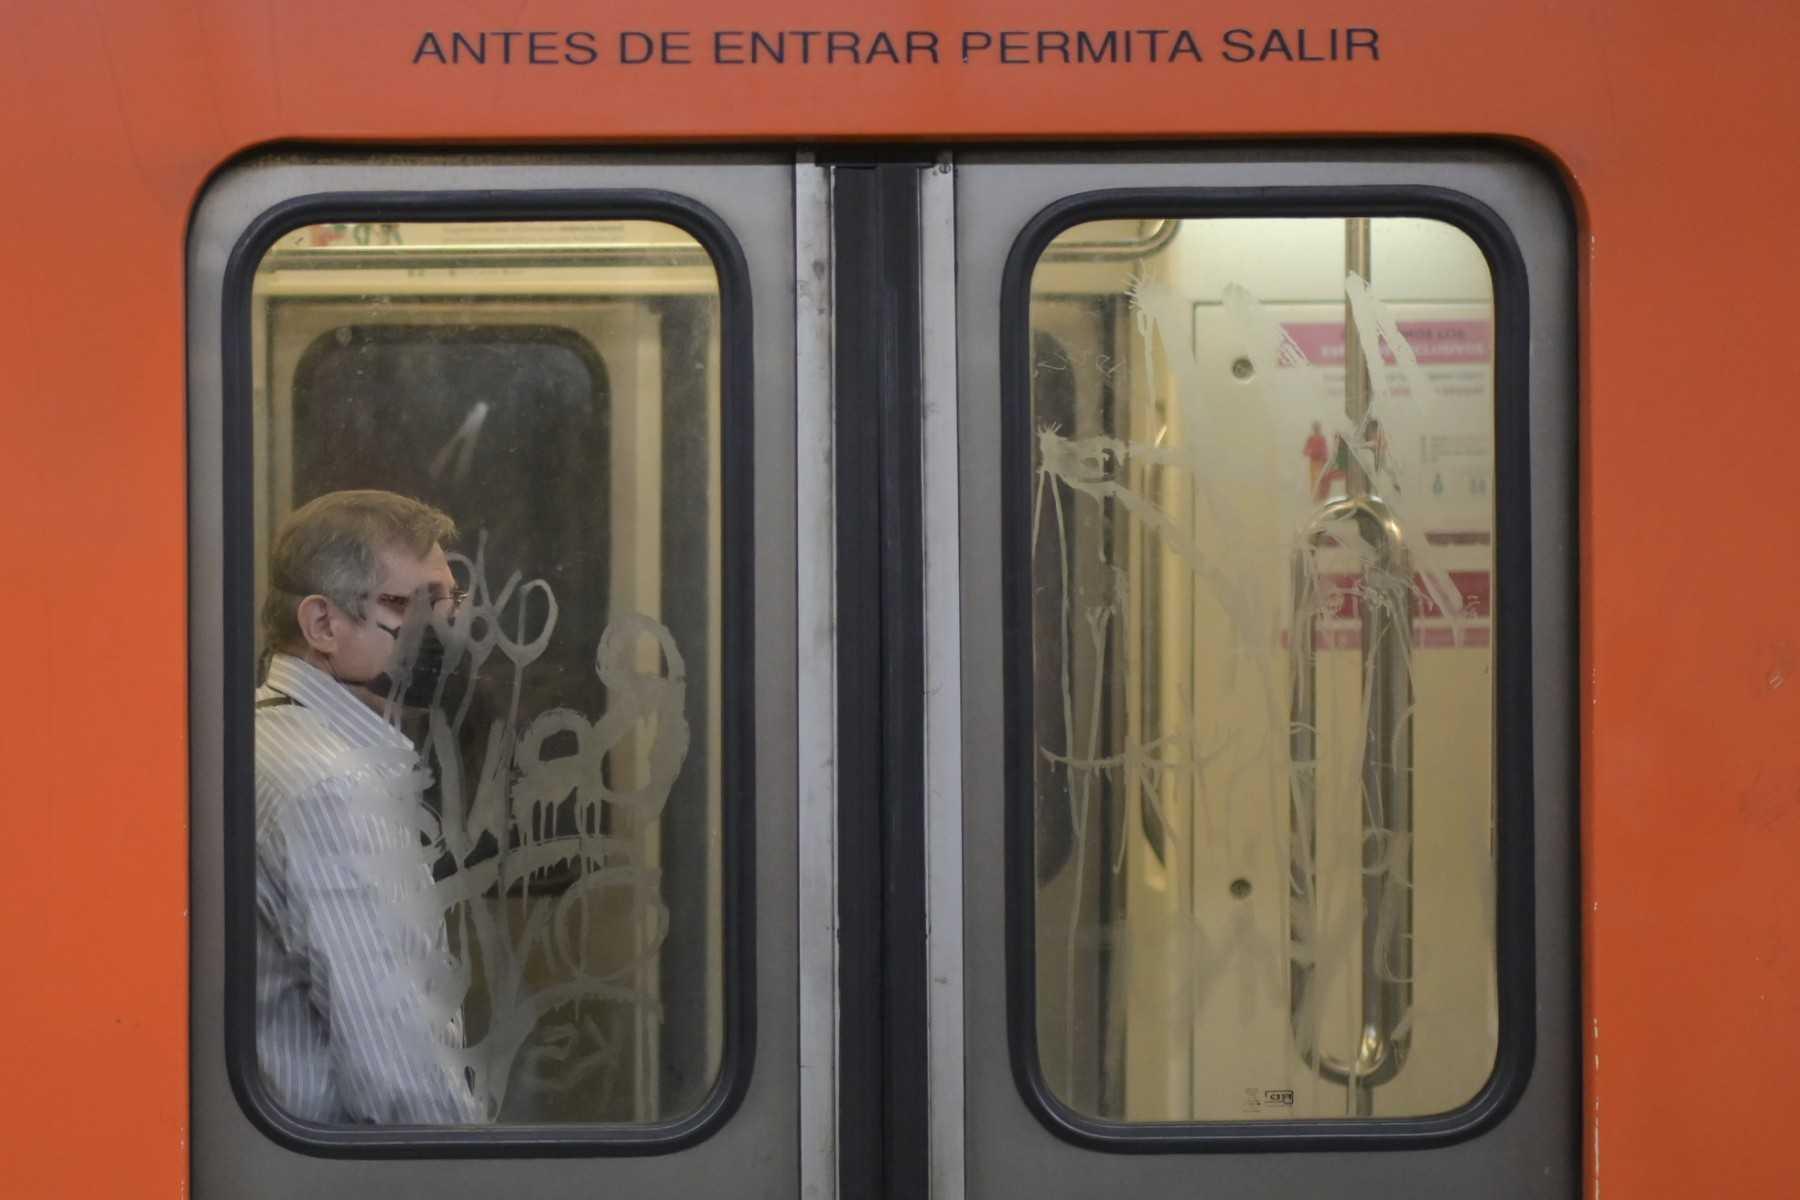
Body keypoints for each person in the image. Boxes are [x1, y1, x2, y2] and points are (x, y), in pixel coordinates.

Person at [253, 489, 486, 1124]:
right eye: (407, 604)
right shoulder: (332, 787)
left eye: (448, 601)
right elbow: (401, 1076)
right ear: (322, 625)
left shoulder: (267, 737)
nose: (440, 627)